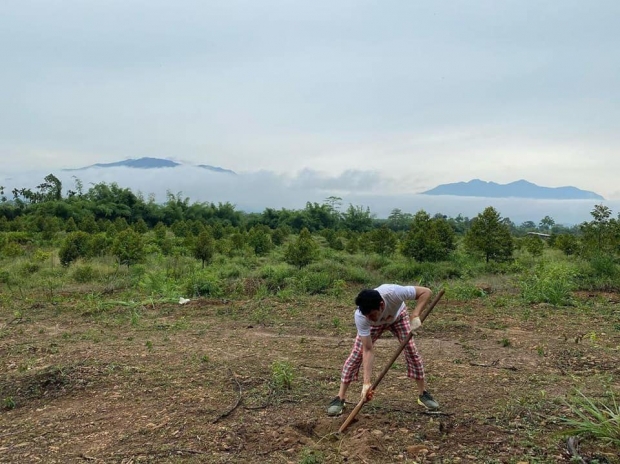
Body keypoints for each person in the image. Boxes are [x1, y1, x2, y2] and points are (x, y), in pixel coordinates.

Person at [327, 284, 439, 416]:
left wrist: (415, 315)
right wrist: (366, 383)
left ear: (381, 305)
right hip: (375, 327)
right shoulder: (361, 317)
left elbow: (426, 292)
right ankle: (340, 397)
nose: (369, 318)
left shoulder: (394, 293)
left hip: (398, 318)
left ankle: (423, 394)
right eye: (366, 315)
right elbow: (368, 349)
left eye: (371, 315)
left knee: (411, 351)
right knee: (357, 354)